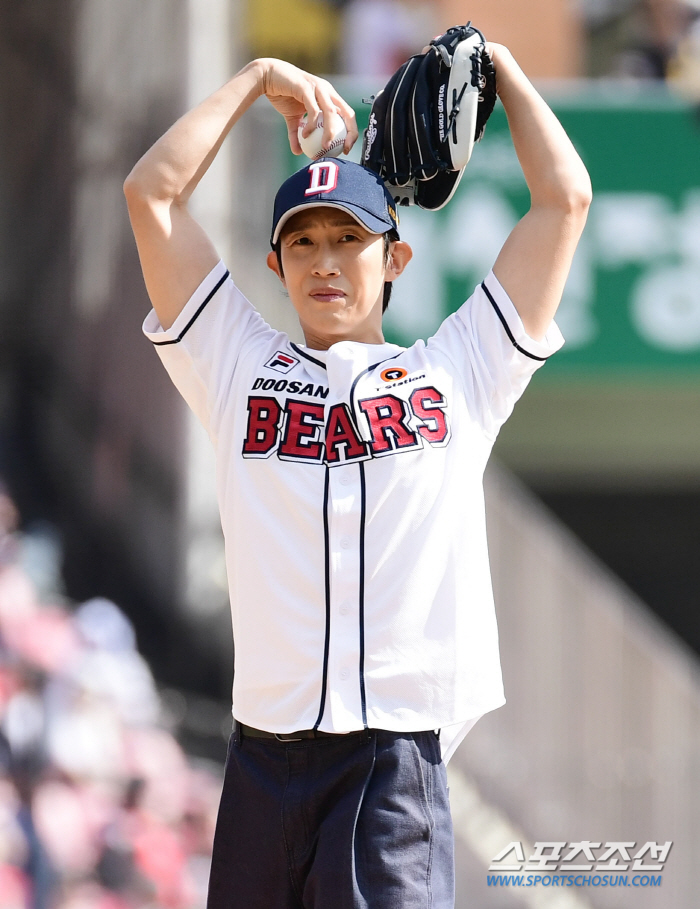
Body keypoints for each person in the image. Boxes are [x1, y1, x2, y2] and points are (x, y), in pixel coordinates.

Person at [123, 44, 591, 909]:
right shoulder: (235, 364)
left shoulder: (458, 372)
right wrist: (258, 78)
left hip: (391, 767)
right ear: (276, 265)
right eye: (302, 242)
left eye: (350, 239)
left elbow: (564, 201)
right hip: (261, 760)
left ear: (396, 259)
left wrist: (509, 72)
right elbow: (151, 194)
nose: (325, 261)